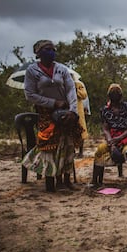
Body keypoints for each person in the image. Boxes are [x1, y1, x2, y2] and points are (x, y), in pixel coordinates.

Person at [22, 39, 82, 192]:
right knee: (50, 145)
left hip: (66, 112)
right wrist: (53, 103)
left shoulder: (62, 69)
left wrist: (73, 111)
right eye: (47, 49)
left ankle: (66, 179)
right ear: (39, 53)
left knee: (67, 144)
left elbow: (71, 90)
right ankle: (54, 180)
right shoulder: (32, 71)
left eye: (53, 49)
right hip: (46, 113)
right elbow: (29, 94)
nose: (51, 52)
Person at [91, 83, 127, 192]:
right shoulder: (105, 110)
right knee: (100, 149)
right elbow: (105, 128)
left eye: (117, 93)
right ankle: (94, 180)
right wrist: (110, 141)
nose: (115, 96)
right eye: (112, 94)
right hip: (112, 137)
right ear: (109, 96)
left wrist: (120, 137)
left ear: (121, 95)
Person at [74, 80, 89, 158]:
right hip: (68, 110)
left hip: (79, 110)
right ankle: (72, 151)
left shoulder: (79, 84)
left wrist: (76, 90)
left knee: (81, 130)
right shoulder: (63, 83)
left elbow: (84, 96)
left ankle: (81, 151)